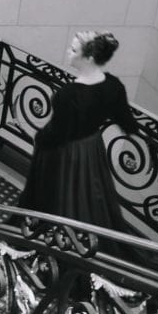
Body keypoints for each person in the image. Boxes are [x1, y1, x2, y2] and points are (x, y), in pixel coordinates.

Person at [15, 32, 142, 252]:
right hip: (91, 148)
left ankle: (55, 239)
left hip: (64, 153)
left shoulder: (70, 94)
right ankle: (84, 242)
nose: (68, 52)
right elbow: (127, 121)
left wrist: (40, 138)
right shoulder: (113, 86)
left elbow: (58, 133)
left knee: (60, 195)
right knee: (88, 196)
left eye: (74, 50)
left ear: (89, 58)